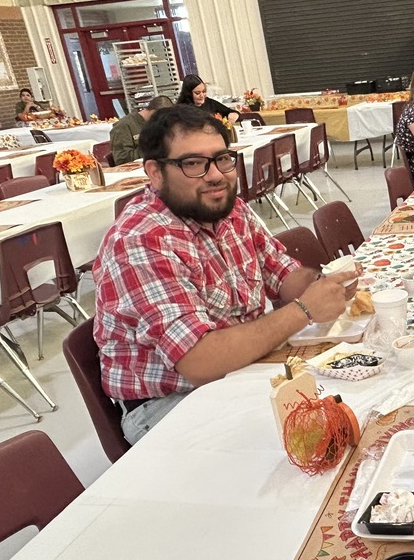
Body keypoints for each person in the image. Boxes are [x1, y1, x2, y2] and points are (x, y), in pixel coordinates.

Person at [92, 105, 357, 444]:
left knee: (347, 402)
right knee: (301, 440)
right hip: (169, 404)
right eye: (193, 164)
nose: (215, 174)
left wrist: (328, 282)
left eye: (222, 159)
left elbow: (281, 272)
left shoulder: (230, 210)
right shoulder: (141, 239)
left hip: (241, 367)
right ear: (155, 173)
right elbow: (198, 360)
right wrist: (304, 310)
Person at [108, 95, 174, 165]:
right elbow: (122, 159)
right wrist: (152, 147)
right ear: (154, 113)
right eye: (162, 119)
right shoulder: (123, 126)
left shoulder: (154, 124)